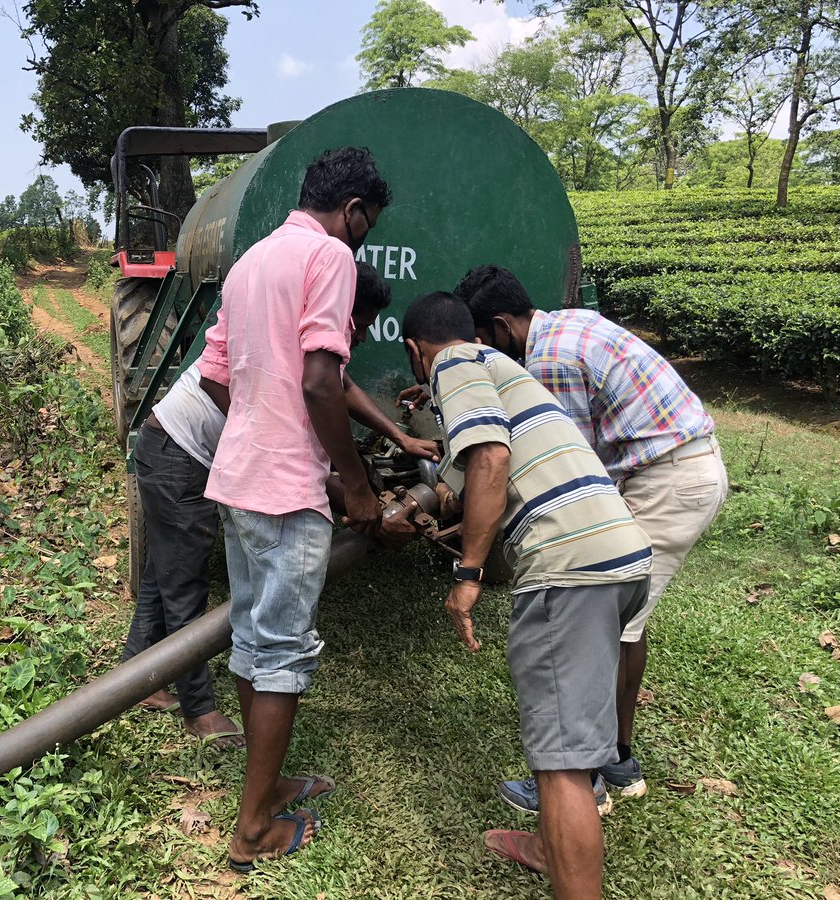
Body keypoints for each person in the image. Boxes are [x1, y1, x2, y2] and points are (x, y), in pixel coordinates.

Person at [123, 261, 437, 751]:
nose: (365, 336)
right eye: (363, 323)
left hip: (167, 444)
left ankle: (141, 675)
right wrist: (364, 505)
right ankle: (198, 710)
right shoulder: (304, 348)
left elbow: (344, 387)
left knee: (166, 570)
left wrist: (395, 434)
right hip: (177, 452)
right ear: (343, 310)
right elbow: (295, 454)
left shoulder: (310, 343)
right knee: (183, 581)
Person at [401, 290, 651, 899]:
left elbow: (489, 458)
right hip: (619, 552)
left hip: (567, 566)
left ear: (415, 351)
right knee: (572, 735)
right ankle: (545, 847)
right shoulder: (504, 367)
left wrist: (468, 574)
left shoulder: (452, 364)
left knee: (561, 765)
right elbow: (494, 476)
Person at [452, 265, 728, 809]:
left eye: (485, 342)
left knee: (597, 623)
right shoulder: (568, 324)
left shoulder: (551, 360)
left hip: (667, 482)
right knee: (622, 622)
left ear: (503, 326)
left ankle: (589, 779)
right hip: (676, 470)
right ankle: (617, 761)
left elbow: (571, 467)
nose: (485, 354)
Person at [198, 147, 397, 872]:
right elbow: (321, 380)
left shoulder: (252, 261)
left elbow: (218, 376)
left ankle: (269, 784)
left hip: (238, 478)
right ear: (352, 211)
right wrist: (357, 484)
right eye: (366, 223)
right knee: (280, 652)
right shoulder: (331, 258)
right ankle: (252, 830)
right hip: (286, 492)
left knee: (253, 641)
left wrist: (259, 417)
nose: (363, 235)